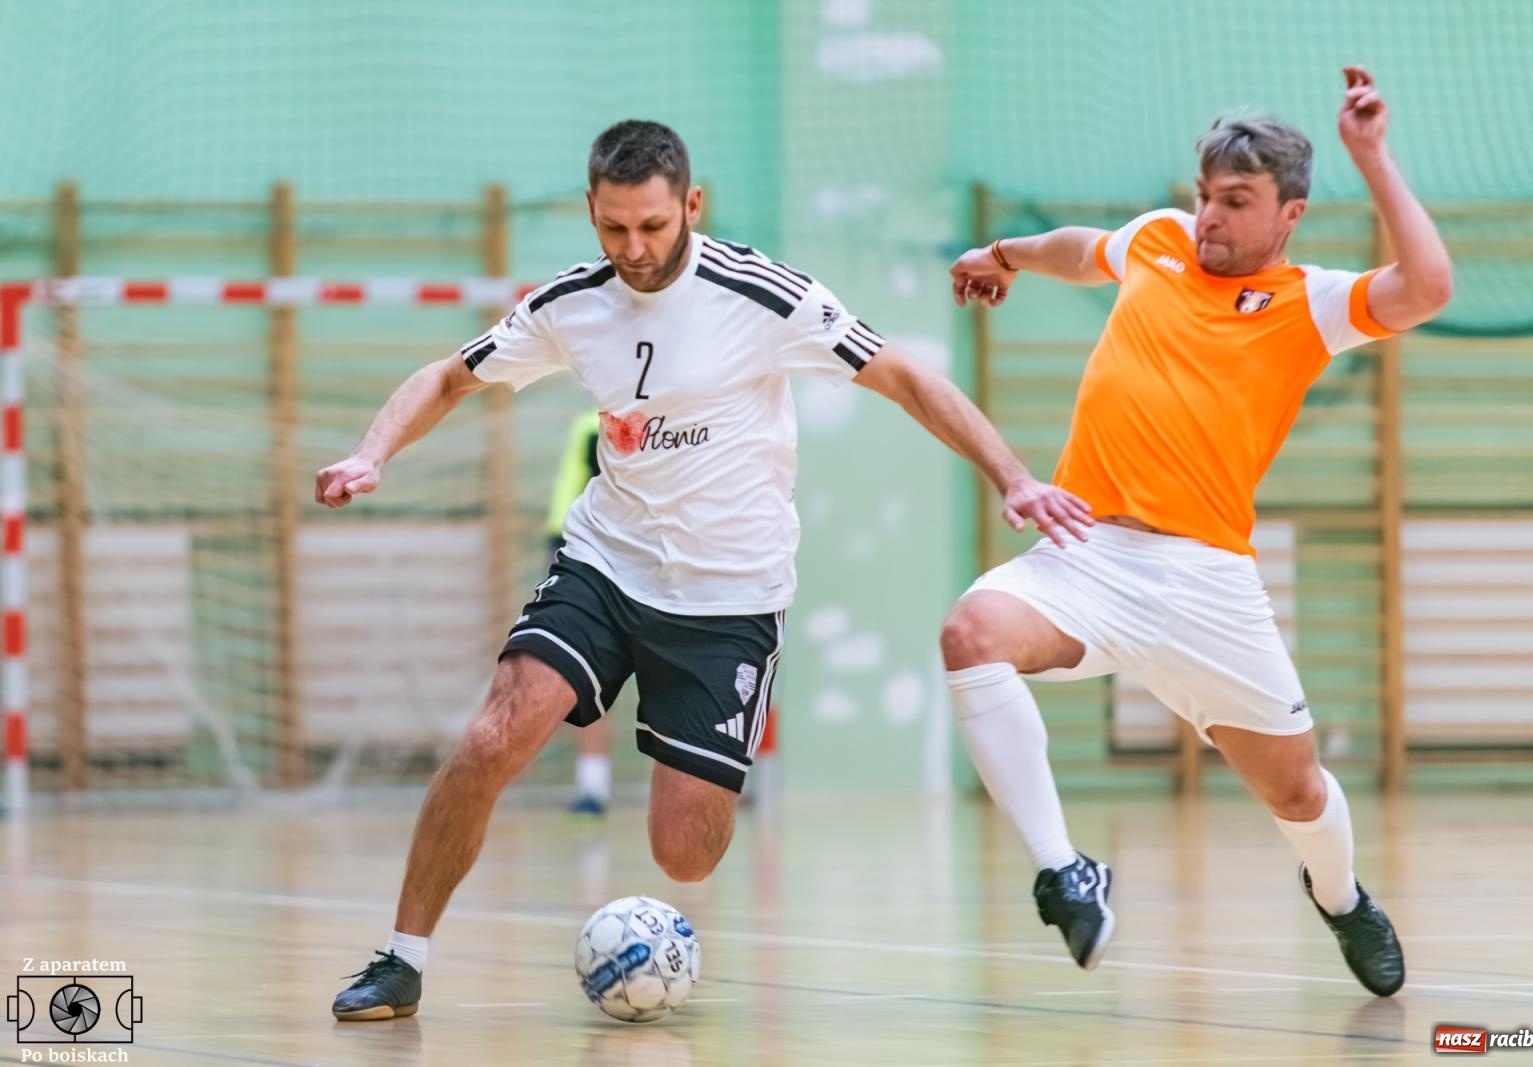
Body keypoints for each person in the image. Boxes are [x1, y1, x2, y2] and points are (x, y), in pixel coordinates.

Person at [318, 119, 1089, 1020]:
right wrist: (373, 452)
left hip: (730, 598)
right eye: (614, 228)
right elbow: (449, 377)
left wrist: (1015, 476)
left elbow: (910, 380)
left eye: (652, 225)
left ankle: (682, 801)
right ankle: (401, 959)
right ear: (592, 213)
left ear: (691, 204)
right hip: (607, 564)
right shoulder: (572, 303)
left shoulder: (763, 297)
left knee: (684, 850)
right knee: (494, 736)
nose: (635, 249)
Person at [940, 68, 1450, 997]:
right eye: (1206, 195)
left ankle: (1340, 898)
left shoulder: (1310, 302)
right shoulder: (1162, 241)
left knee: (1295, 791)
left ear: (1288, 214)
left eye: (1237, 202)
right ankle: (1065, 870)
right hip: (1089, 554)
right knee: (970, 634)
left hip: (1207, 582)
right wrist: (1004, 253)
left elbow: (1427, 286)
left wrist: (1372, 158)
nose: (1210, 217)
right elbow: (1080, 247)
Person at [544, 411, 612, 817]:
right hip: (579, 552)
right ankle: (592, 786)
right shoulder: (594, 425)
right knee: (586, 678)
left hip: (614, 554)